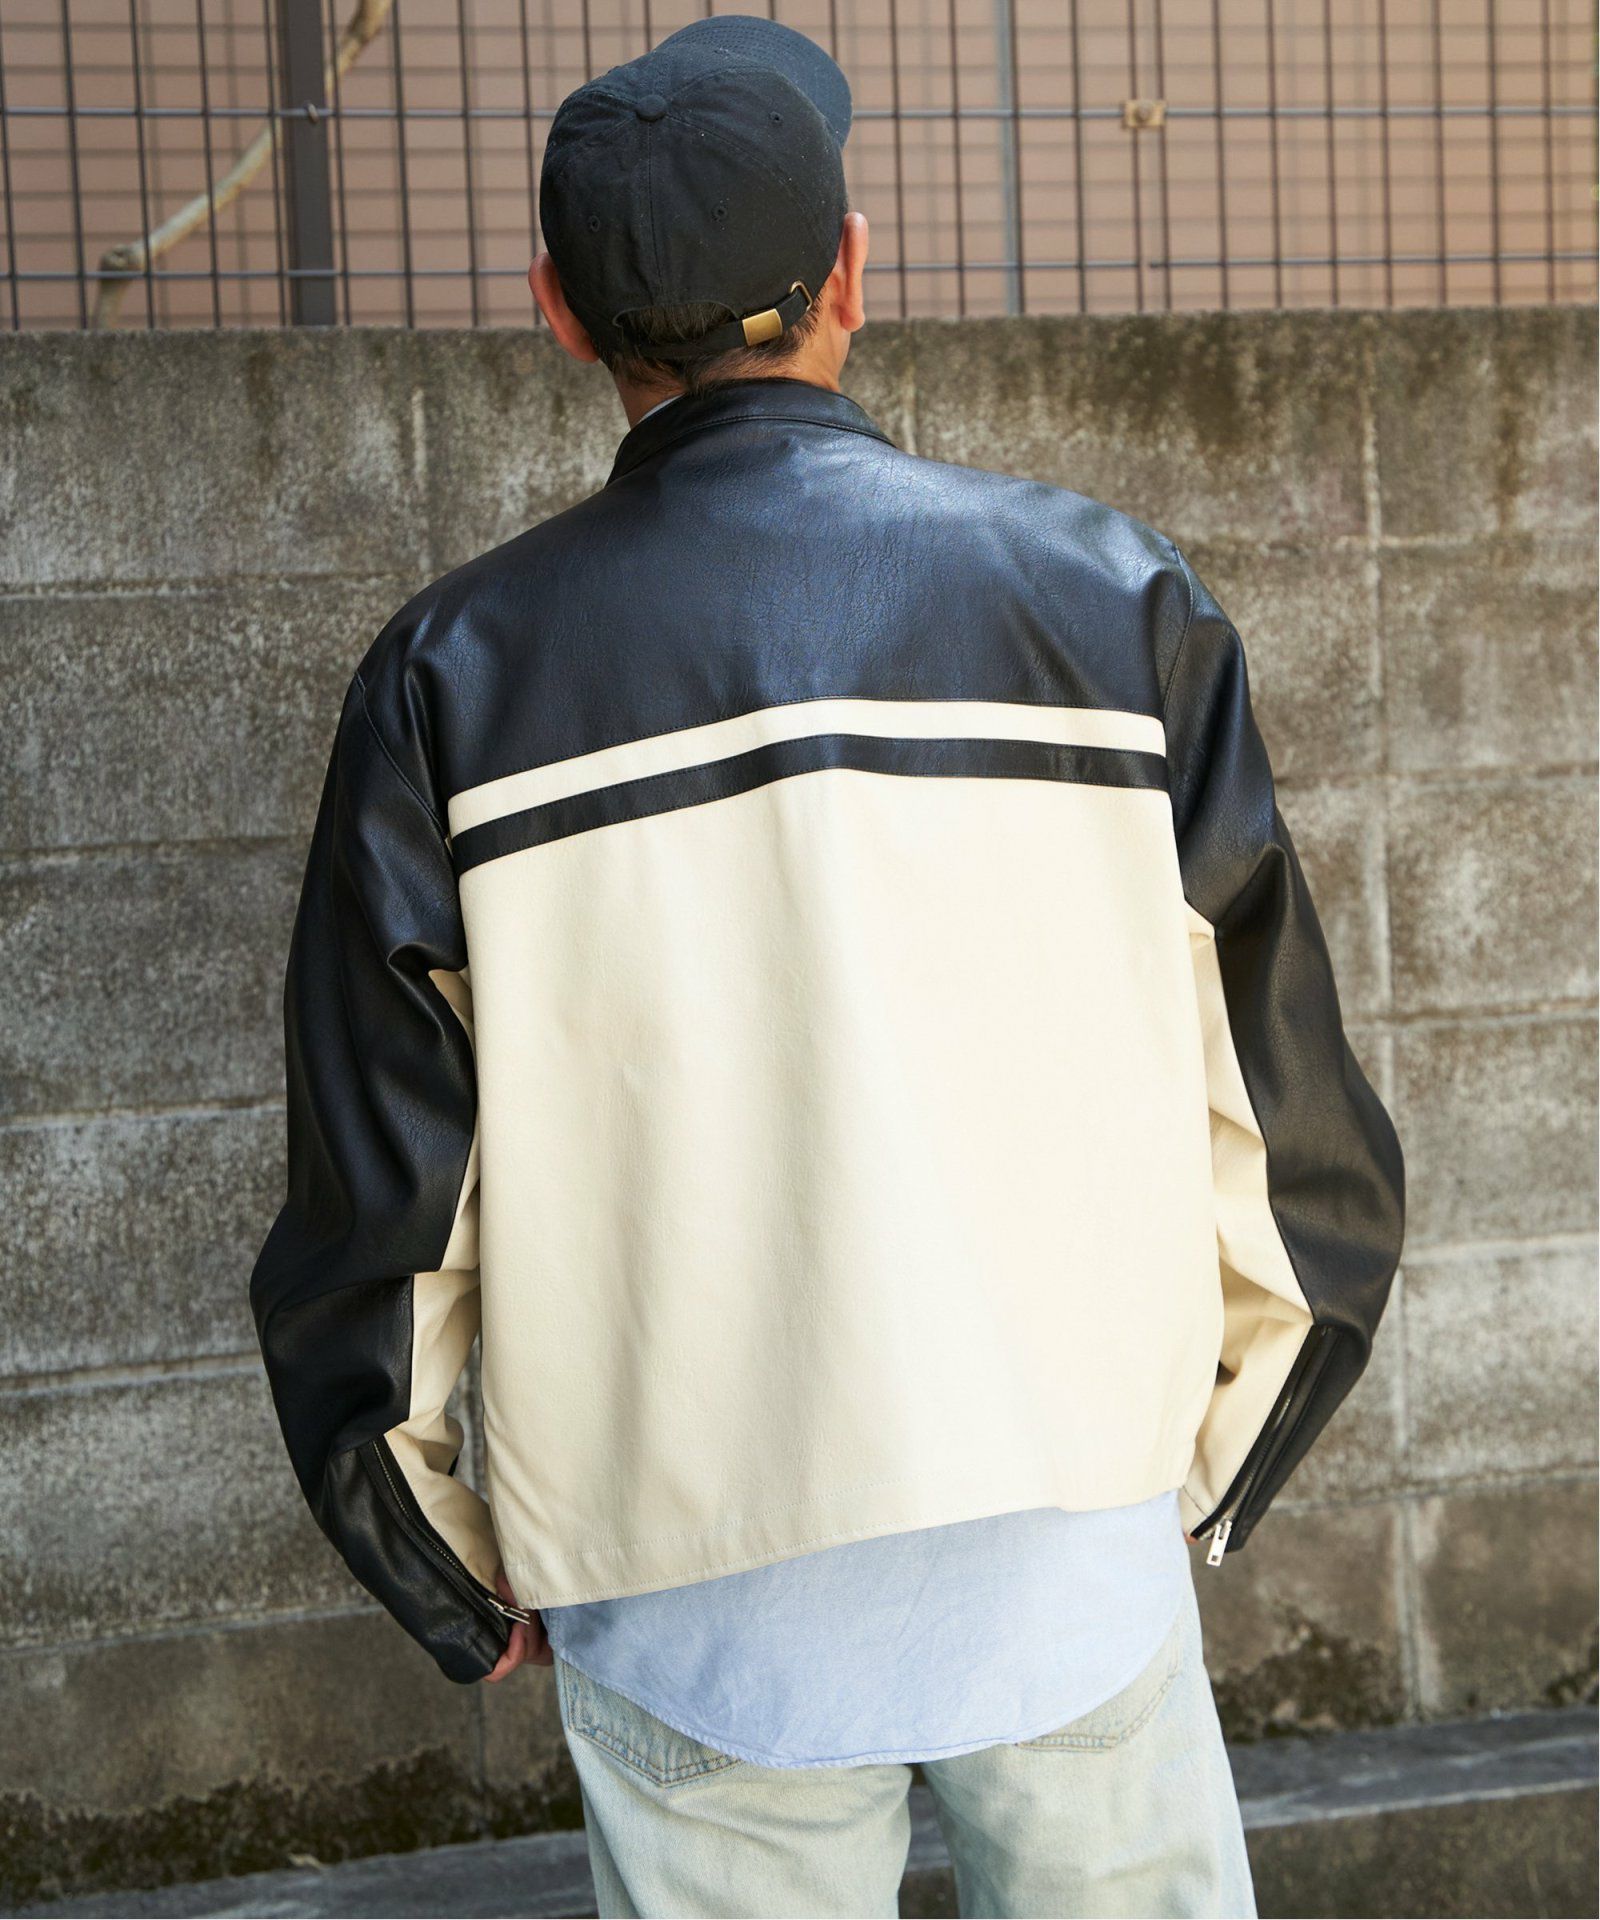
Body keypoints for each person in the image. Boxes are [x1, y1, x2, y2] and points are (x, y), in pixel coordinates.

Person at [250, 17, 1405, 1918]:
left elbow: (390, 1195)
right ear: (849, 273)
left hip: (689, 1587)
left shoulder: (452, 680)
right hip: (1066, 1534)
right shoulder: (1114, 604)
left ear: (557, 312)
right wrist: (1217, 1457)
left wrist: (438, 1556)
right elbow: (1273, 1104)